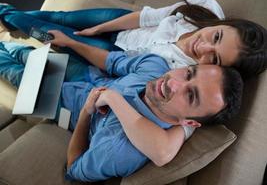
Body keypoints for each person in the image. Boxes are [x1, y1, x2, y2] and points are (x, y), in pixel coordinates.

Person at [0, 32, 243, 182]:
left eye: (191, 95)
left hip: (61, 104)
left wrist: (86, 113)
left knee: (12, 71)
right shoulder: (156, 67)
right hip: (87, 75)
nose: (174, 83)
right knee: (25, 52)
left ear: (190, 123)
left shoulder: (120, 151)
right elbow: (112, 61)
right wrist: (71, 42)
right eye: (188, 73)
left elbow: (74, 168)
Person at [0, 0, 266, 78]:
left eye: (215, 58)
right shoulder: (205, 8)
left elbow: (120, 68)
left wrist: (75, 42)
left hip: (110, 55)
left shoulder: (186, 74)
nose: (203, 46)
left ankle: (8, 15)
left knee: (46, 33)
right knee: (60, 17)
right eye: (217, 36)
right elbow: (146, 17)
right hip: (123, 23)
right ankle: (8, 14)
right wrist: (99, 27)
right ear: (225, 23)